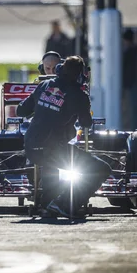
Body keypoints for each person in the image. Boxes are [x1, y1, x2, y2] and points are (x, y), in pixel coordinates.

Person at [16, 56, 111, 218]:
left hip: (31, 147)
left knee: (49, 162)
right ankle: (65, 204)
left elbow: (21, 111)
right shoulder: (80, 96)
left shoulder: (44, 85)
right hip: (53, 149)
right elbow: (86, 124)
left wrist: (44, 108)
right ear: (81, 76)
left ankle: (48, 203)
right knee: (102, 169)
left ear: (60, 68)